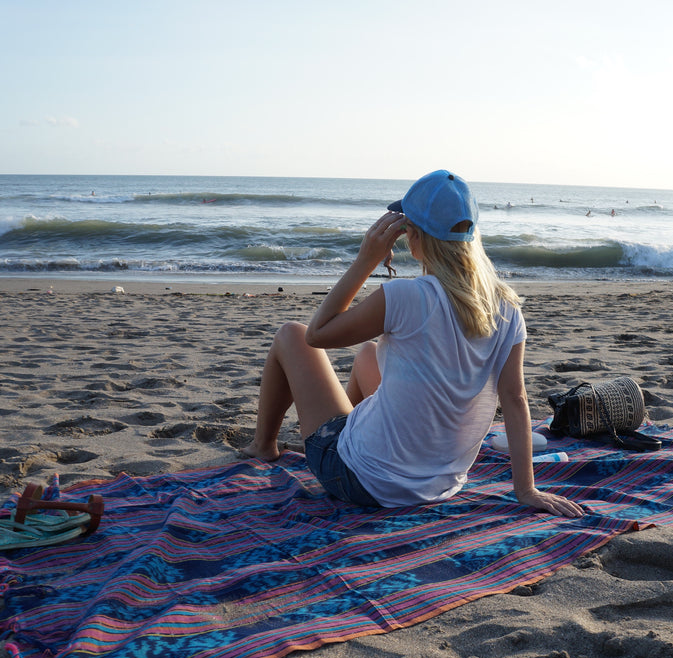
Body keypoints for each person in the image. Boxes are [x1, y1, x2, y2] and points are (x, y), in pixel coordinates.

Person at [240, 170, 583, 518]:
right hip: (440, 484)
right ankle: (353, 434)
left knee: (291, 334)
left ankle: (264, 445)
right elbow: (515, 398)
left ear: (414, 236)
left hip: (359, 481)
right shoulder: (506, 307)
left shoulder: (403, 296)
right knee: (368, 354)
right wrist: (526, 489)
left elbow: (317, 335)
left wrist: (366, 260)